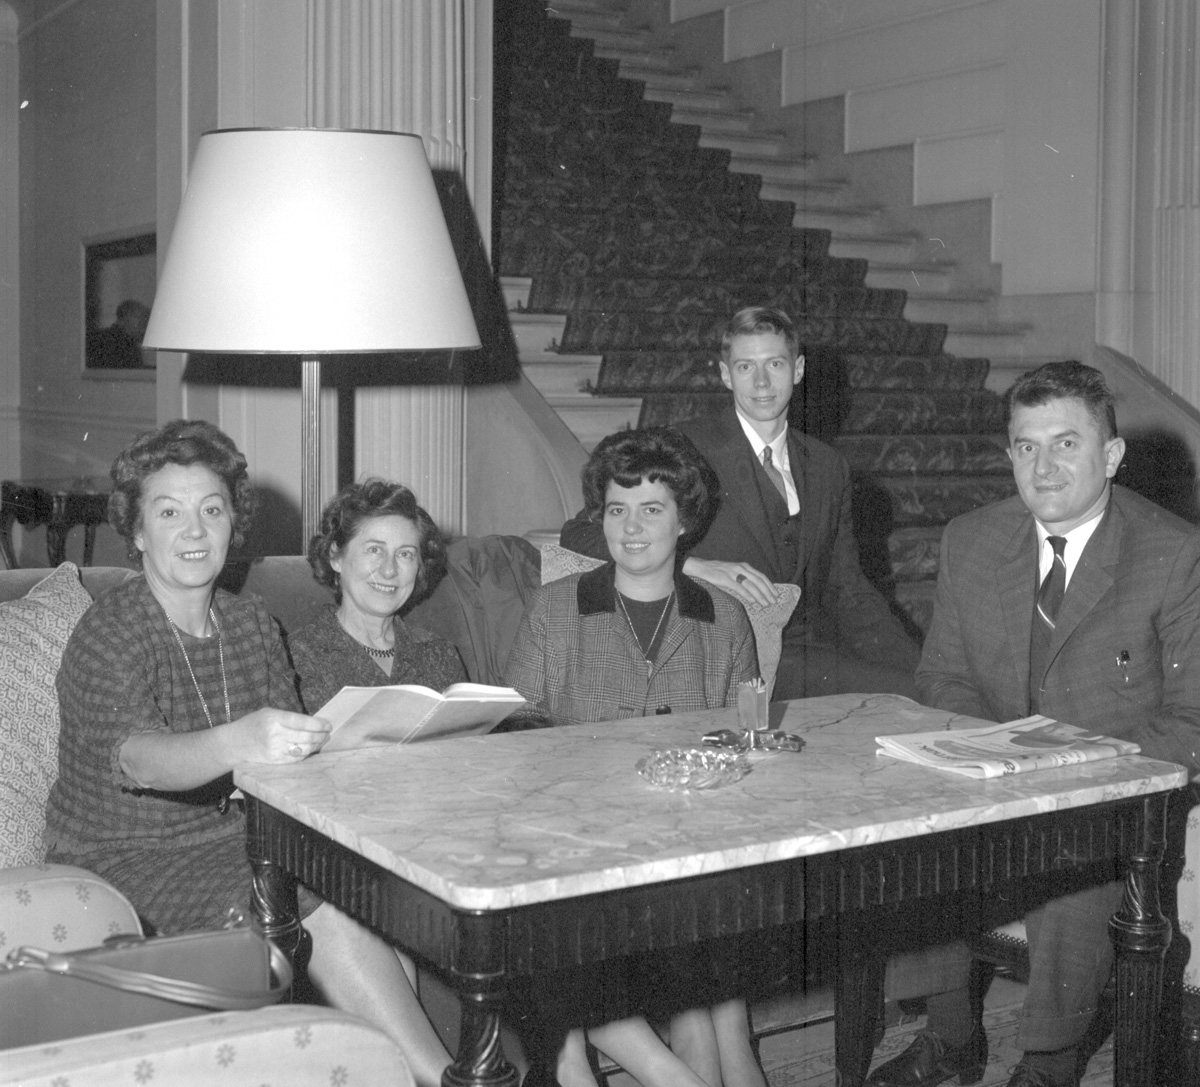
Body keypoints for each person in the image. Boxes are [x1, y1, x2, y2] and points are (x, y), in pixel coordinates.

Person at [43, 420, 454, 1087]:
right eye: (169, 512)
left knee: (371, 892)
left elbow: (291, 763)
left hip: (239, 839)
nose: (195, 530)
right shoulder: (111, 630)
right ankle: (445, 1077)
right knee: (312, 895)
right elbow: (139, 760)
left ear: (233, 524)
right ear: (137, 532)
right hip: (121, 857)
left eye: (212, 510)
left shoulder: (250, 622)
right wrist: (243, 740)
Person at [866, 361, 1200, 1087]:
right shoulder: (972, 539)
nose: (1043, 468)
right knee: (902, 837)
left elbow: (1192, 719)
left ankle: (1049, 1062)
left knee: (1073, 869)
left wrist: (1066, 768)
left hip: (1113, 795)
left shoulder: (1173, 553)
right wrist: (991, 758)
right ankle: (952, 1036)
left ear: (1111, 456)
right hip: (996, 783)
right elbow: (943, 678)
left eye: (1066, 444)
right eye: (1026, 446)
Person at [506, 426, 765, 1087]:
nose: (631, 527)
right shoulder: (555, 609)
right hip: (581, 840)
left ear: (685, 521)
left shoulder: (725, 618)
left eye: (652, 509)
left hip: (689, 842)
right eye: (617, 509)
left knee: (710, 1012)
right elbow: (514, 729)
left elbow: (745, 742)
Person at [560, 305, 919, 701]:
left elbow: (849, 590)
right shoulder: (685, 447)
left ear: (798, 370)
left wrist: (922, 668)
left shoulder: (827, 465)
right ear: (725, 375)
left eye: (775, 364)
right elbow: (579, 534)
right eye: (746, 367)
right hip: (718, 658)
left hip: (807, 653)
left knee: (918, 692)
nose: (762, 382)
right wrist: (689, 564)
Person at [287, 479, 466, 715]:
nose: (389, 570)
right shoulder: (297, 657)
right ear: (336, 557)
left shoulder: (440, 654)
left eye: (405, 554)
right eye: (374, 550)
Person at [87, 298, 151, 368]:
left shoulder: (97, 338)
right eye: (140, 317)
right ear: (128, 316)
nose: (144, 323)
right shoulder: (128, 348)